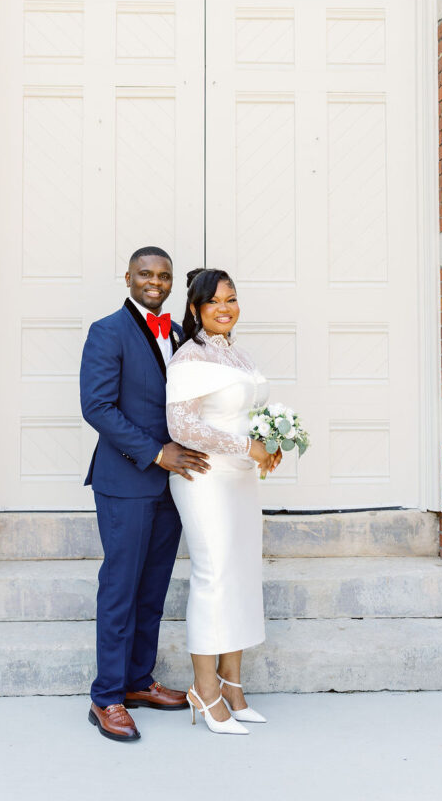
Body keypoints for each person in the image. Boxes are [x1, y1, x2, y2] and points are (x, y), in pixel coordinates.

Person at [80, 247, 210, 743]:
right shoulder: (106, 331)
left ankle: (138, 680)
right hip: (127, 479)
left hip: (173, 486)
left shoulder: (178, 334)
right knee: (120, 588)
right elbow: (97, 407)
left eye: (164, 276)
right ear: (128, 276)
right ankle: (107, 696)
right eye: (145, 274)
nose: (155, 282)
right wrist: (157, 453)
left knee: (152, 589)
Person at [166, 267, 281, 736]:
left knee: (240, 575)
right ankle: (204, 690)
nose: (225, 308)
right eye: (214, 302)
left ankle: (232, 685)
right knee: (213, 576)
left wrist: (269, 442)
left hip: (241, 480)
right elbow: (183, 427)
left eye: (231, 299)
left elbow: (246, 414)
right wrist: (244, 446)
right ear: (195, 309)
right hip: (205, 478)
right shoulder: (189, 358)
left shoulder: (240, 354)